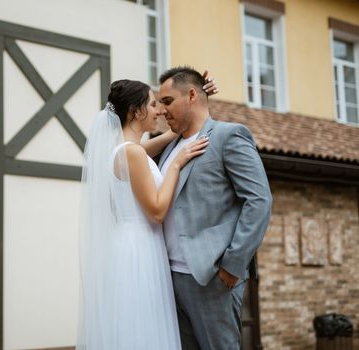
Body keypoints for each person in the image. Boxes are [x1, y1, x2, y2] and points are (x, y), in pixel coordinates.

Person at [76, 74, 217, 350]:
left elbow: (158, 142)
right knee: (143, 330)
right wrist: (176, 164)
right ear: (135, 111)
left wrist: (198, 99)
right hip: (139, 249)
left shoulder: (121, 151)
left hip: (128, 245)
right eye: (153, 105)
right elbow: (156, 211)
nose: (160, 111)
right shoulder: (132, 154)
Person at [157, 66, 273, 350]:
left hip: (210, 278)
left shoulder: (228, 136)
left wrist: (233, 264)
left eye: (168, 101)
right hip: (168, 277)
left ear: (192, 95)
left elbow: (259, 200)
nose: (162, 111)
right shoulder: (169, 148)